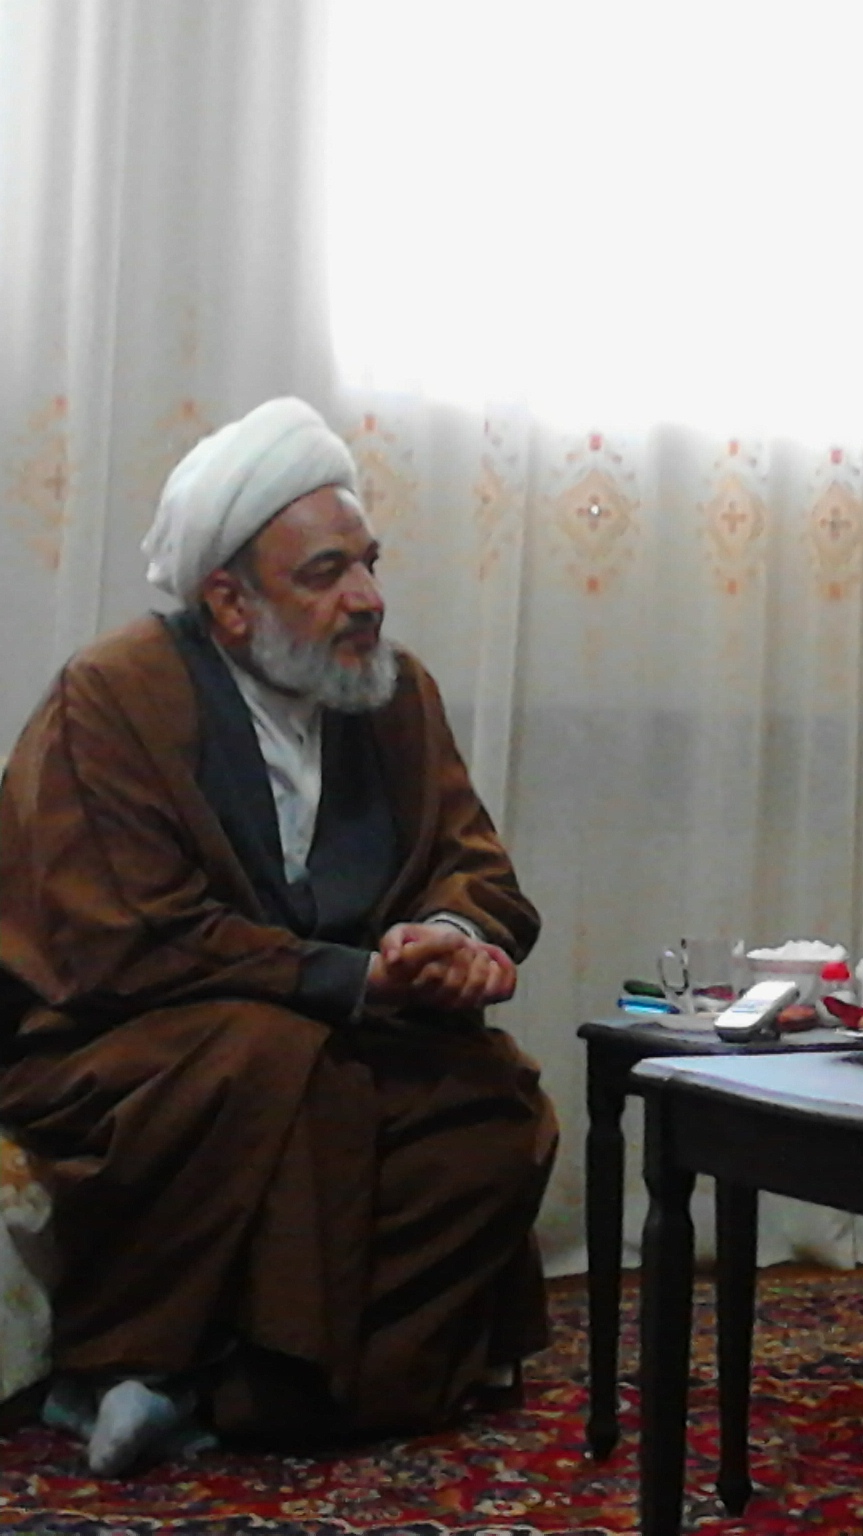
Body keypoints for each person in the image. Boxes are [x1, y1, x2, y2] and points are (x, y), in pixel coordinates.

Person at [0, 398, 556, 1476]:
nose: (368, 599)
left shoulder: (392, 695)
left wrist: (448, 936)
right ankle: (152, 1361)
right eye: (326, 574)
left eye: (369, 564)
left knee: (493, 1109)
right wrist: (352, 979)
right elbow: (124, 940)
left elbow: (471, 860)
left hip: (337, 1034)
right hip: (123, 1045)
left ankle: (232, 1396)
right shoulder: (113, 700)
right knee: (280, 1061)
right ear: (229, 601)